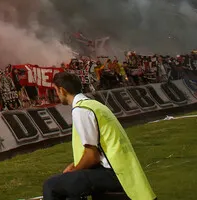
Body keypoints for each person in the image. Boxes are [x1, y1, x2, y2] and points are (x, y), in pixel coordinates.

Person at [42, 71, 155, 200]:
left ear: (62, 90)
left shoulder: (81, 110)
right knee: (70, 187)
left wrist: (73, 171)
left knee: (50, 186)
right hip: (122, 171)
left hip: (112, 173)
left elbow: (93, 156)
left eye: (56, 91)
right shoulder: (94, 105)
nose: (57, 95)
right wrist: (75, 166)